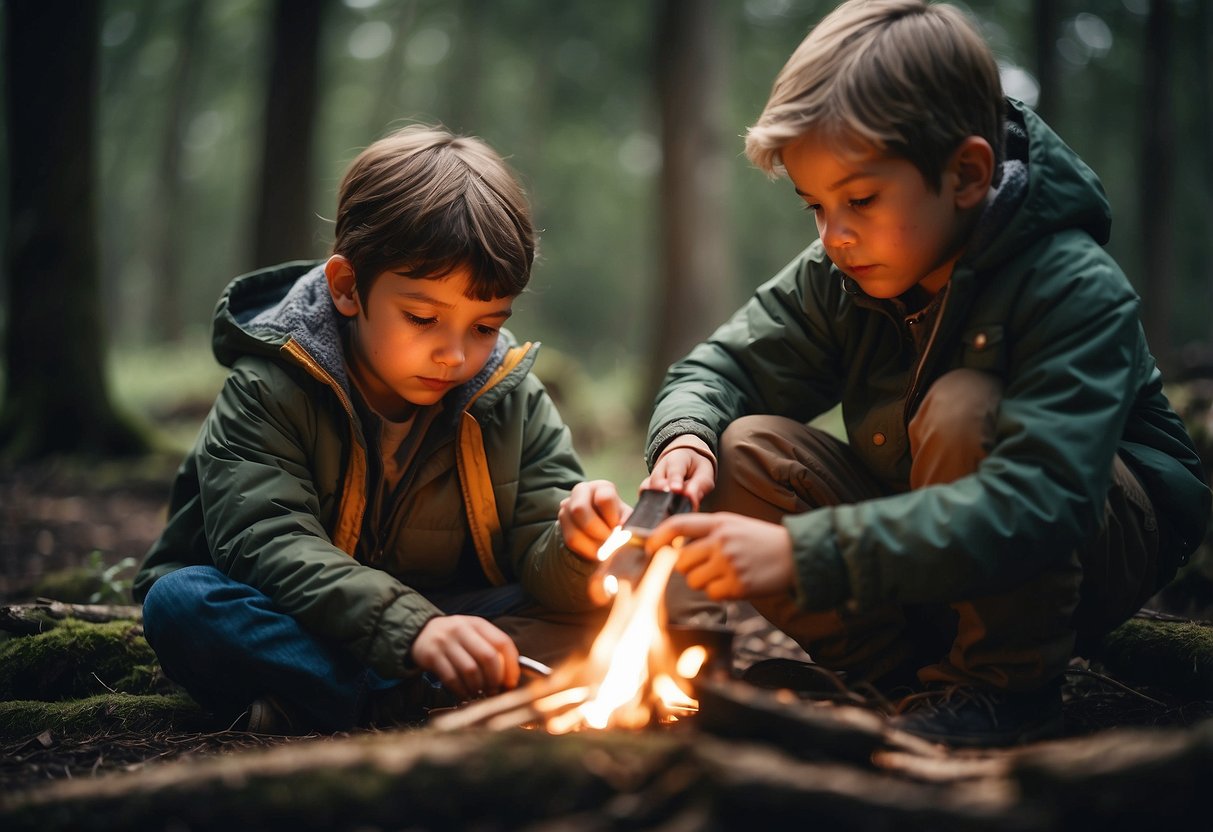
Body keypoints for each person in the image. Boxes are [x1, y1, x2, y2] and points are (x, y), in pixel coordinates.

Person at [564, 0, 1210, 747]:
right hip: (923, 521)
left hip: (1093, 539)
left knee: (963, 408)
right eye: (815, 205)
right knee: (741, 449)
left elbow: (1037, 505)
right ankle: (899, 681)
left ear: (966, 173)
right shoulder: (843, 271)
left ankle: (1004, 687)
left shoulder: (1070, 283)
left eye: (860, 200)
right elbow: (726, 364)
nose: (833, 235)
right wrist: (684, 443)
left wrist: (804, 553)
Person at [134, 126, 714, 735]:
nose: (456, 355)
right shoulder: (270, 385)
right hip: (299, 615)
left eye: (486, 326)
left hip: (449, 615)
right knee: (183, 604)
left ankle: (365, 695)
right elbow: (265, 543)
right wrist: (413, 631)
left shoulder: (508, 394)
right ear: (347, 287)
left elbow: (537, 547)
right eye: (422, 317)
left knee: (649, 610)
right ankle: (416, 693)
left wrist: (578, 546)